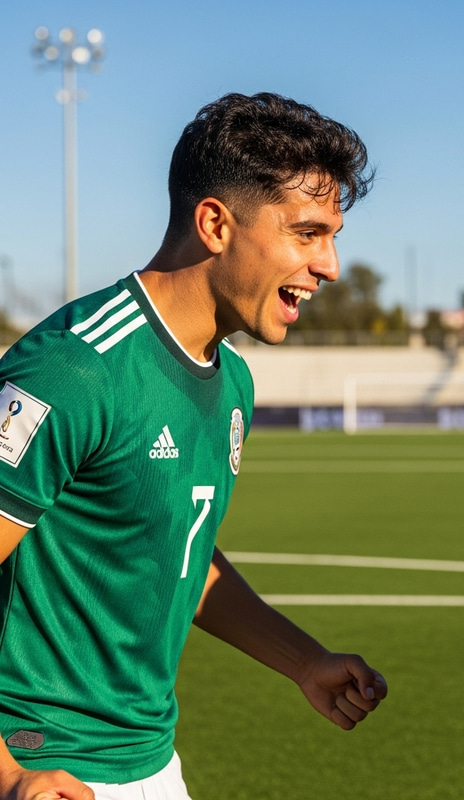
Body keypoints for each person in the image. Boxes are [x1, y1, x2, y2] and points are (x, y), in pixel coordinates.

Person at [0, 92, 387, 800]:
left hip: (151, 763)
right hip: (45, 770)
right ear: (215, 223)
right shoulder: (76, 369)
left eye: (332, 236)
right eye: (307, 233)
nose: (329, 264)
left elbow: (178, 552)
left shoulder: (232, 379)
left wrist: (303, 662)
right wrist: (10, 773)